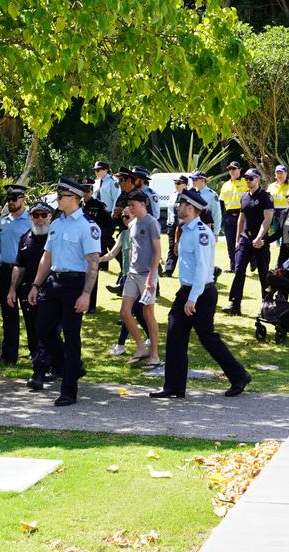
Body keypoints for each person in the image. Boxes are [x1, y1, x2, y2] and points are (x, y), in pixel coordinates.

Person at [150, 189, 251, 399]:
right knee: (175, 333)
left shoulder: (201, 233)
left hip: (201, 292)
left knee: (207, 337)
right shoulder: (186, 229)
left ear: (190, 208)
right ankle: (174, 386)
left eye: (180, 204)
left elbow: (203, 268)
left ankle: (239, 375)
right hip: (187, 291)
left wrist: (193, 298)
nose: (177, 207)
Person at [27, 178, 101, 406]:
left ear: (75, 199)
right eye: (58, 195)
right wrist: (36, 284)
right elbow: (47, 257)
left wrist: (86, 294)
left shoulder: (88, 226)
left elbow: (93, 262)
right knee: (43, 331)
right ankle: (72, 367)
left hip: (75, 285)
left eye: (62, 196)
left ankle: (69, 391)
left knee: (71, 337)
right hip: (53, 283)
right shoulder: (57, 223)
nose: (58, 199)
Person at [100, 190, 161, 367]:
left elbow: (157, 252)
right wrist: (100, 258)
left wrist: (151, 278)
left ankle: (154, 355)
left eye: (133, 205)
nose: (130, 208)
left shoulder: (152, 223)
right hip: (132, 275)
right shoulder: (132, 225)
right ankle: (141, 348)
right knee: (125, 312)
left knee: (148, 314)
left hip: (147, 275)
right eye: (129, 205)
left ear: (143, 204)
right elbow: (120, 251)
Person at [6, 201, 55, 363]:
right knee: (31, 324)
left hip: (52, 289)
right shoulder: (24, 238)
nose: (39, 219)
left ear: (50, 217)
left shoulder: (55, 238)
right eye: (35, 215)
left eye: (43, 215)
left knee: (50, 327)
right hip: (28, 290)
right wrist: (12, 289)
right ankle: (36, 355)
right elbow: (19, 266)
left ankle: (51, 359)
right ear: (31, 217)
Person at [224, 168, 274, 316]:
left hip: (260, 241)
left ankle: (266, 306)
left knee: (263, 273)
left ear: (258, 179)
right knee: (239, 270)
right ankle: (235, 304)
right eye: (246, 178)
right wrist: (238, 239)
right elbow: (241, 218)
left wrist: (259, 237)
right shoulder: (244, 196)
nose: (248, 181)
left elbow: (268, 219)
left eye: (250, 178)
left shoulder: (266, 197)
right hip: (245, 239)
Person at [0, 184, 30, 364]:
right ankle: (8, 355)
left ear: (23, 199)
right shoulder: (4, 221)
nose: (11, 202)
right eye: (8, 200)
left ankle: (36, 353)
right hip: (6, 272)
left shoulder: (32, 220)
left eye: (14, 199)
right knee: (8, 317)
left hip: (26, 273)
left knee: (31, 315)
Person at [106, 207, 149, 356]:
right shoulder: (123, 235)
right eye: (123, 217)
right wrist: (95, 259)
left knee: (127, 311)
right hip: (127, 277)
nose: (124, 219)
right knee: (135, 310)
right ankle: (150, 337)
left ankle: (121, 345)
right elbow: (112, 254)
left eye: (128, 216)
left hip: (139, 277)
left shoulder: (142, 233)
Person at [80, 180, 111, 312]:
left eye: (87, 191)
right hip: (80, 243)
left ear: (91, 192)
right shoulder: (78, 205)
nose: (85, 194)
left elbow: (108, 223)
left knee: (93, 272)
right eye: (83, 191)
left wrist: (102, 238)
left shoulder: (98, 205)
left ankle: (91, 305)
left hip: (94, 243)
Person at [219, 161, 249, 272]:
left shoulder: (246, 182)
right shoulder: (225, 185)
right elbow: (221, 203)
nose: (231, 171)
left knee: (244, 242)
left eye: (234, 168)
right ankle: (233, 267)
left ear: (240, 169)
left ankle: (246, 263)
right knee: (230, 243)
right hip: (229, 216)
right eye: (230, 169)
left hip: (243, 215)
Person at [162, 176, 188, 277]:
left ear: (185, 184)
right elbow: (170, 211)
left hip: (183, 226)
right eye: (175, 183)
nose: (176, 185)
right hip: (172, 225)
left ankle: (186, 270)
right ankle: (168, 270)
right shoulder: (173, 195)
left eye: (178, 183)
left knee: (184, 248)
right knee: (172, 247)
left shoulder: (187, 197)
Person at [190, 171, 222, 237]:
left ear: (202, 180)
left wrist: (216, 232)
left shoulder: (212, 195)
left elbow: (216, 214)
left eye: (195, 179)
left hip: (206, 228)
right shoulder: (191, 192)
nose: (193, 181)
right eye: (192, 179)